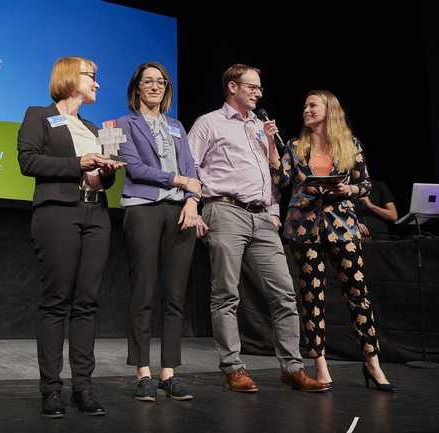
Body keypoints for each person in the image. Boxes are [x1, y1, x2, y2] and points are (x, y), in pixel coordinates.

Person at [188, 64, 328, 393]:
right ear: (232, 87)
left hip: (263, 217)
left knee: (284, 293)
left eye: (260, 88)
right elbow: (190, 165)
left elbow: (271, 175)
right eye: (252, 86)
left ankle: (292, 367)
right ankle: (233, 368)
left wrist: (274, 211)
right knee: (226, 294)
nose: (258, 92)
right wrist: (194, 204)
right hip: (225, 209)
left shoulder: (260, 127)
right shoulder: (209, 123)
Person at [17, 56, 124, 418]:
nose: (97, 83)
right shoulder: (39, 114)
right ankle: (51, 389)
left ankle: (84, 387)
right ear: (69, 77)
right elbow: (28, 162)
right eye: (92, 76)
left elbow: (106, 177)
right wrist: (79, 163)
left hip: (97, 214)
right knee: (55, 300)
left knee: (87, 302)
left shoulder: (96, 127)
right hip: (58, 212)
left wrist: (106, 168)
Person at [269, 89, 395, 391]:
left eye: (313, 105)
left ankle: (372, 363)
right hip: (305, 227)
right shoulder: (295, 146)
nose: (306, 110)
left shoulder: (349, 145)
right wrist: (272, 148)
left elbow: (364, 183)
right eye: (304, 105)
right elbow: (282, 181)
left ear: (329, 110)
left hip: (343, 226)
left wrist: (347, 190)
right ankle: (320, 366)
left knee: (358, 293)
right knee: (312, 297)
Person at [117, 62, 207, 402]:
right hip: (143, 209)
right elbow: (134, 168)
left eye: (161, 82)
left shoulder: (177, 126)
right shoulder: (121, 124)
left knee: (175, 294)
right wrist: (177, 181)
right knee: (143, 291)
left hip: (180, 211)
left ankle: (169, 372)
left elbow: (192, 170)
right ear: (137, 87)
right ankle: (143, 373)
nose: (155, 86)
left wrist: (192, 201)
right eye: (148, 81)